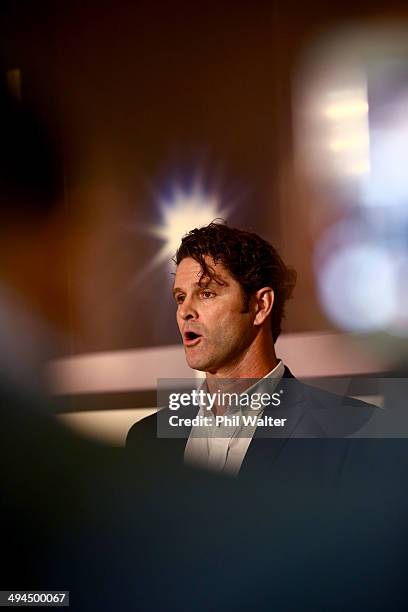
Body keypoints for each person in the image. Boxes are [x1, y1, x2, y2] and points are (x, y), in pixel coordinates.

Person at [127, 222, 377, 479]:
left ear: (261, 305)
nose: (184, 311)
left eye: (207, 293)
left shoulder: (352, 432)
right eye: (180, 297)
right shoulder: (146, 440)